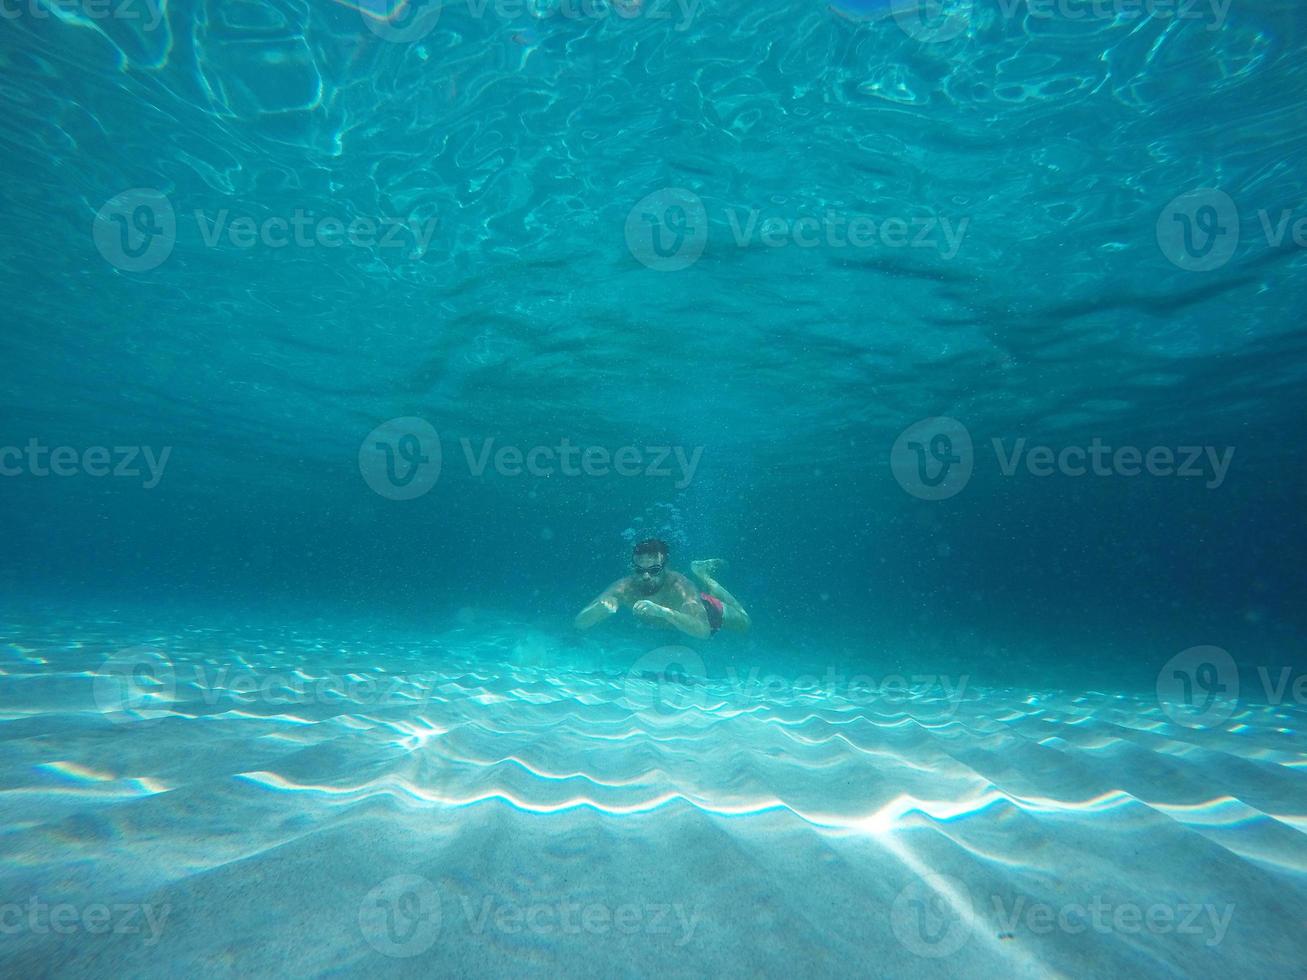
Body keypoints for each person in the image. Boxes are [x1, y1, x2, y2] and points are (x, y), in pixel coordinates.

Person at [574, 538, 750, 639]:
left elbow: (703, 631)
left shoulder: (681, 586)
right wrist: (598, 609)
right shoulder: (624, 587)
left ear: (666, 568)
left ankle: (705, 577)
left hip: (705, 608)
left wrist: (663, 612)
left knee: (745, 624)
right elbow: (579, 623)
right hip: (670, 628)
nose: (646, 576)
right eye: (639, 570)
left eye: (654, 570)